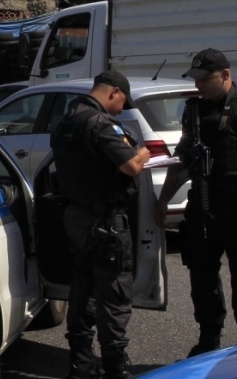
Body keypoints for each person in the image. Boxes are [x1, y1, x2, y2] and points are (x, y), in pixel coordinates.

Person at [155, 48, 237, 357]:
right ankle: (208, 340)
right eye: (195, 79)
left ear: (225, 75)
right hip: (202, 205)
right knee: (202, 278)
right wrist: (162, 201)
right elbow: (182, 158)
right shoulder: (194, 111)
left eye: (204, 79)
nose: (198, 85)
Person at [51, 70, 150, 379]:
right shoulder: (100, 124)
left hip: (76, 218)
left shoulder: (66, 120)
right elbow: (132, 166)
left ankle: (80, 364)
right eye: (123, 101)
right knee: (115, 295)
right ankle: (115, 368)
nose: (122, 108)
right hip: (106, 223)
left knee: (82, 290)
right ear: (113, 92)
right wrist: (144, 152)